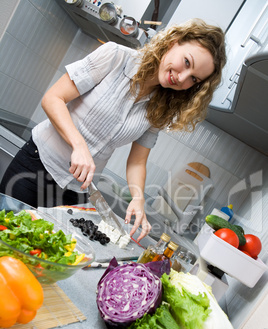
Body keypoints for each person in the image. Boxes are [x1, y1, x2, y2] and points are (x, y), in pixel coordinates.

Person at [0, 19, 226, 242]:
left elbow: (137, 161)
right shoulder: (115, 56)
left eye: (193, 78)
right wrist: (79, 145)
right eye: (187, 62)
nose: (182, 78)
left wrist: (138, 198)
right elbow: (53, 99)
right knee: (5, 239)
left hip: (75, 192)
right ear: (173, 42)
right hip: (36, 167)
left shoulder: (163, 107)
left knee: (40, 259)